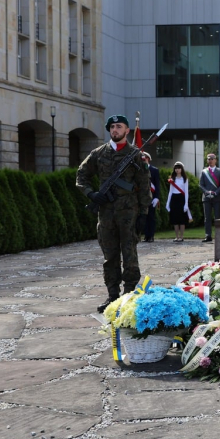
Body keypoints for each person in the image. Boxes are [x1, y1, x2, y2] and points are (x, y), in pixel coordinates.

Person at [76, 115, 151, 312]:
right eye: (112, 127)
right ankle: (112, 295)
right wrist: (91, 194)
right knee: (109, 257)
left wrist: (144, 214)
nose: (115, 130)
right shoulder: (99, 153)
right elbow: (81, 175)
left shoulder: (136, 155)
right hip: (106, 214)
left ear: (127, 131)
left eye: (119, 127)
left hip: (129, 214)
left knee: (130, 255)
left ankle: (128, 296)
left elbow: (144, 185)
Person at [199, 153, 220, 243]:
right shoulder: (204, 172)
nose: (210, 160)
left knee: (217, 217)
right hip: (206, 198)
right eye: (208, 159)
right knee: (207, 217)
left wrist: (216, 192)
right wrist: (206, 192)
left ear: (215, 160)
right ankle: (208, 235)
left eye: (212, 159)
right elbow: (201, 185)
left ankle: (218, 235)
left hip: (217, 197)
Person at [165, 161, 192, 242]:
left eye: (179, 168)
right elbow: (170, 191)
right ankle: (176, 236)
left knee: (182, 219)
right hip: (174, 198)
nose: (177, 170)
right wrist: (168, 203)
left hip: (181, 198)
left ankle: (181, 236)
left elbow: (186, 192)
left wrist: (186, 204)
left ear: (181, 169)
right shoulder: (172, 179)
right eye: (176, 168)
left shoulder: (185, 179)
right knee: (175, 219)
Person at [141, 152, 161, 243]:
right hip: (142, 197)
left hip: (152, 197)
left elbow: (157, 185)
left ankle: (151, 235)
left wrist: (157, 197)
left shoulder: (154, 170)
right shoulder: (139, 170)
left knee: (151, 217)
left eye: (144, 158)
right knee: (143, 217)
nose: (143, 160)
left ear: (148, 159)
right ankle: (146, 235)